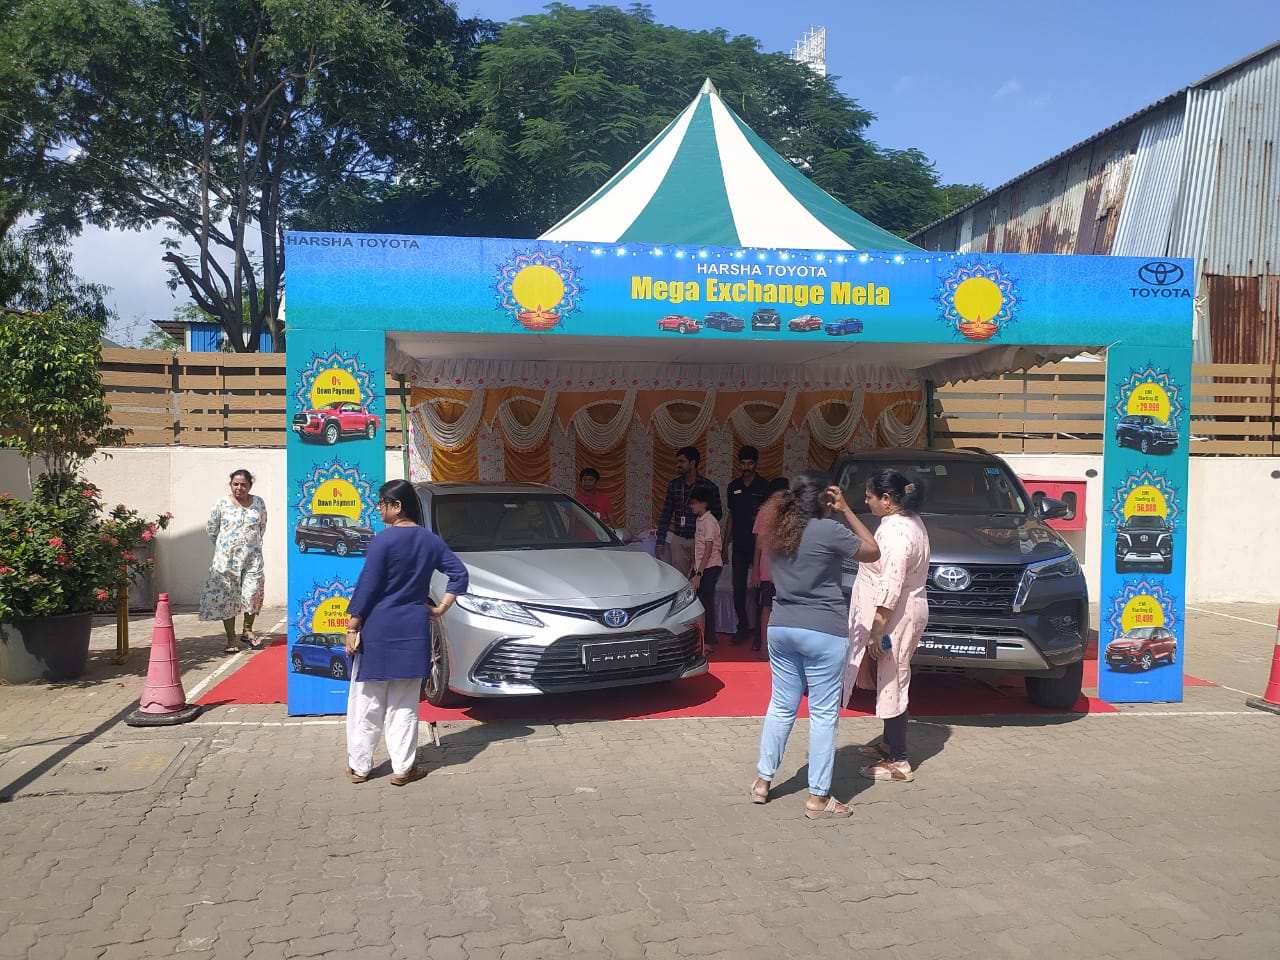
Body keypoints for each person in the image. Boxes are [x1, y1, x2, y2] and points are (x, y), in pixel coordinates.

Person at [751, 470, 880, 819]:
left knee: (781, 706)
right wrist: (847, 510)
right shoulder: (829, 529)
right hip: (824, 629)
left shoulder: (777, 529)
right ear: (826, 499)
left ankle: (763, 781)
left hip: (781, 626)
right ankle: (818, 797)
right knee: (823, 715)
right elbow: (872, 551)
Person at [344, 479, 468, 786]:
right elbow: (459, 574)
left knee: (367, 702)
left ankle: (360, 767)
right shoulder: (430, 540)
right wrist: (440, 608)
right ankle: (403, 768)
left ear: (397, 506)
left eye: (382, 503)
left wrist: (352, 626)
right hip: (413, 629)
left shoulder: (382, 541)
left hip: (378, 629)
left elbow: (368, 586)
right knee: (404, 703)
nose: (379, 509)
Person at [843, 469, 930, 783]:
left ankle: (899, 760)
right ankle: (889, 743)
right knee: (888, 677)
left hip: (896, 617)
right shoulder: (904, 521)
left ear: (887, 498)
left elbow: (891, 585)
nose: (867, 501)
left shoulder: (897, 534)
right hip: (900, 612)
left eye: (870, 497)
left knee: (894, 680)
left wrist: (878, 630)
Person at [199, 469, 268, 654]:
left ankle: (247, 630)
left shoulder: (258, 503)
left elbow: (262, 526)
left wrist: (249, 544)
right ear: (230, 485)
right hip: (227, 560)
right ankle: (231, 639)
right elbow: (212, 529)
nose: (239, 488)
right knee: (227, 597)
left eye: (243, 484)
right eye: (235, 484)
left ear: (250, 485)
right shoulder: (221, 503)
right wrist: (224, 548)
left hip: (252, 558)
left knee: (253, 592)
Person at [723, 445, 771, 646]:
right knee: (738, 589)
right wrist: (725, 545)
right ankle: (742, 627)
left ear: (756, 464)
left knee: (760, 591)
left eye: (750, 463)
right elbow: (731, 517)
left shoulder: (765, 487)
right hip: (740, 546)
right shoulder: (733, 487)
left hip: (760, 547)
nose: (746, 467)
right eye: (743, 464)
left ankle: (760, 634)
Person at [654, 446, 721, 577]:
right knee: (680, 579)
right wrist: (660, 541)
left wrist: (701, 525)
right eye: (677, 462)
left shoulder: (708, 486)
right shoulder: (674, 485)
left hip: (700, 540)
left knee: (699, 578)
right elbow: (666, 514)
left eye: (682, 462)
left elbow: (717, 514)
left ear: (693, 463)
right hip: (679, 539)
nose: (678, 465)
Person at [748, 476, 791, 653]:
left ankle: (780, 647)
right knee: (766, 607)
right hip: (768, 571)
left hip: (787, 572)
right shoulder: (764, 513)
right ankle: (765, 646)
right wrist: (756, 571)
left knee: (784, 609)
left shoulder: (793, 513)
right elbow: (758, 545)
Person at [687, 482, 724, 648]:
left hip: (711, 566)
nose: (692, 506)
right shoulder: (700, 520)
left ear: (704, 503)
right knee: (699, 601)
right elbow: (700, 549)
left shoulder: (709, 521)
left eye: (694, 503)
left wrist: (699, 574)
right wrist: (694, 569)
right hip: (702, 567)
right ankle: (702, 637)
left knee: (706, 602)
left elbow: (708, 549)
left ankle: (708, 640)